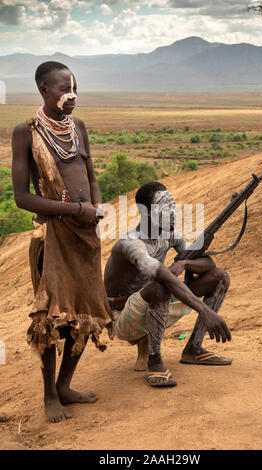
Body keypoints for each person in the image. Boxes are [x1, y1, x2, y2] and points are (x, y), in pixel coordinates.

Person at [11, 61, 114, 423]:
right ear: (43, 90)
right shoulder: (26, 133)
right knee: (52, 319)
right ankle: (49, 395)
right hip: (52, 237)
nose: (72, 97)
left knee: (84, 314)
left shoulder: (79, 127)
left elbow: (91, 175)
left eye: (76, 90)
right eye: (63, 90)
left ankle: (66, 385)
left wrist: (95, 208)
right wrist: (73, 211)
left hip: (86, 235)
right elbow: (22, 198)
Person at [104, 181, 232, 387]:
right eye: (165, 208)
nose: (173, 213)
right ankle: (154, 362)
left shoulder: (169, 234)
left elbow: (208, 263)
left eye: (173, 207)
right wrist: (204, 311)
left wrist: (185, 262)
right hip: (125, 319)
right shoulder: (130, 243)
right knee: (160, 286)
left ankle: (194, 348)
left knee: (219, 277)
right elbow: (161, 275)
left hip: (155, 304)